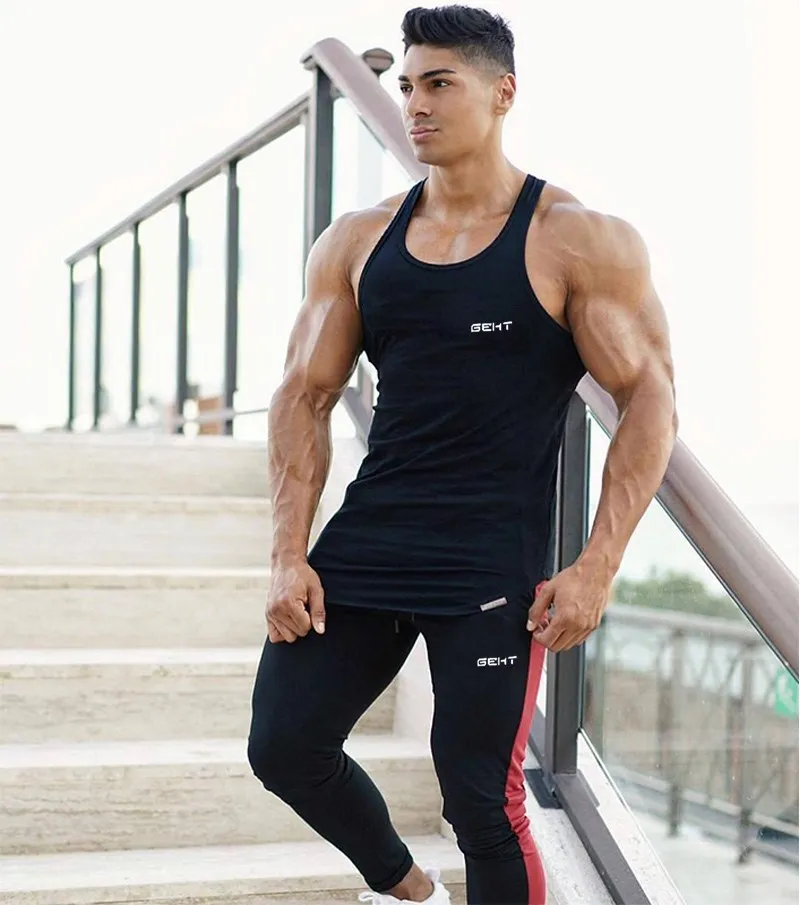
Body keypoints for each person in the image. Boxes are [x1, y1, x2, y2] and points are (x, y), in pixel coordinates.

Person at [247, 5, 678, 904]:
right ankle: (410, 891)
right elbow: (303, 396)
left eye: (439, 84)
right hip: (372, 539)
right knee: (284, 744)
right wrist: (288, 552)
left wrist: (597, 564)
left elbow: (649, 397)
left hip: (491, 563)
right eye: (408, 85)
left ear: (502, 92)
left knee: (481, 799)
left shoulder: (578, 239)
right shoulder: (359, 240)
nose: (415, 104)